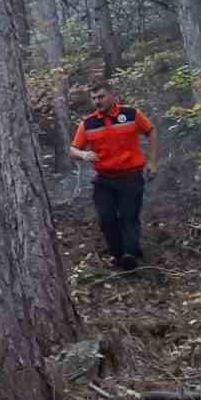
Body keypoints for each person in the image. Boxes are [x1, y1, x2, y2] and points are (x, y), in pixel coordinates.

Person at [71, 80, 158, 271]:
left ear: (112, 95)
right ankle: (118, 255)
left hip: (131, 177)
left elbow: (150, 131)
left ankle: (130, 254)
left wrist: (152, 162)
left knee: (128, 216)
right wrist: (84, 154)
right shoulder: (88, 123)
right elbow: (73, 149)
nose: (97, 101)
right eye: (94, 98)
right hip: (104, 180)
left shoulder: (131, 114)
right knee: (106, 218)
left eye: (101, 96)